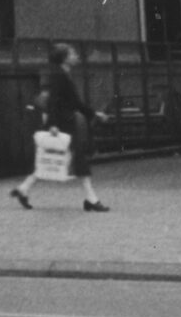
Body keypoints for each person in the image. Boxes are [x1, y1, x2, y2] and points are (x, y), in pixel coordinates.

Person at [12, 42, 109, 212]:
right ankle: (91, 199)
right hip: (64, 123)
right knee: (78, 158)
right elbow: (56, 102)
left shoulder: (61, 74)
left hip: (64, 121)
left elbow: (71, 102)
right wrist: (54, 124)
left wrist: (93, 114)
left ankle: (24, 189)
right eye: (72, 53)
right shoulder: (60, 76)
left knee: (55, 158)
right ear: (64, 58)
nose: (76, 56)